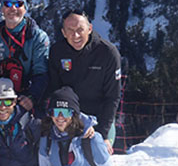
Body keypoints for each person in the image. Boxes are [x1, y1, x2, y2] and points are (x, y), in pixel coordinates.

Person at [46, 10, 122, 153]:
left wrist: (103, 134)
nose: (75, 35)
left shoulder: (108, 53)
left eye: (80, 29)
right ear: (63, 33)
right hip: (68, 116)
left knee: (98, 153)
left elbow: (113, 97)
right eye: (70, 30)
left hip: (99, 117)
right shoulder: (57, 52)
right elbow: (55, 90)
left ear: (90, 29)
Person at [0, 0, 49, 114]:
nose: (13, 8)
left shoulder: (38, 37)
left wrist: (32, 98)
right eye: (8, 4)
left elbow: (41, 73)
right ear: (2, 8)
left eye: (18, 4)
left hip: (25, 95)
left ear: (25, 8)